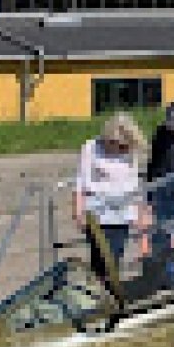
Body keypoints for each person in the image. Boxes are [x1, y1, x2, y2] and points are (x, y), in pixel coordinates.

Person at [73, 112, 145, 267]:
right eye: (115, 144)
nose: (119, 149)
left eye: (123, 146)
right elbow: (81, 181)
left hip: (122, 212)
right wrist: (78, 210)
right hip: (97, 211)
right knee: (99, 257)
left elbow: (134, 183)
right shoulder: (91, 148)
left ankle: (109, 282)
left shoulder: (130, 151)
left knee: (115, 256)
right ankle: (100, 281)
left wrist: (139, 213)